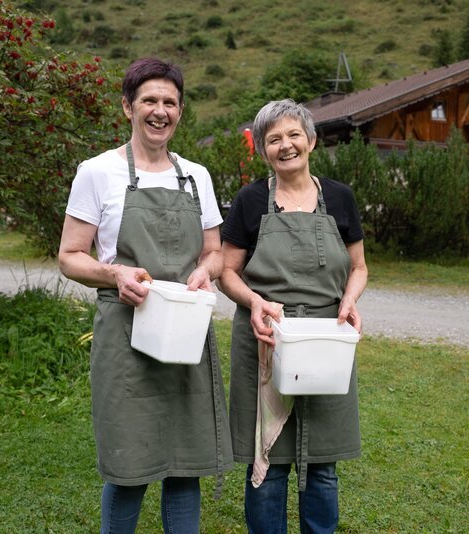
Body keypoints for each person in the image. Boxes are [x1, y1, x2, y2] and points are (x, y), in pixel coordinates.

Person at [58, 57, 232, 534]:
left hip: (185, 334)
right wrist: (114, 274)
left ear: (181, 111)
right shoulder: (97, 172)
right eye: (149, 100)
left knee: (186, 464)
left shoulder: (196, 176)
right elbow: (70, 256)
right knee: (128, 466)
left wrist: (205, 271)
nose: (160, 111)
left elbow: (215, 252)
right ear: (127, 107)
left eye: (170, 102)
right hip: (125, 335)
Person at [219, 99, 368, 533]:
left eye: (293, 135)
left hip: (325, 340)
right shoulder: (250, 201)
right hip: (267, 337)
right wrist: (254, 303)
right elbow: (226, 272)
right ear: (262, 150)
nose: (285, 146)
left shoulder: (340, 198)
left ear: (311, 141)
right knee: (268, 463)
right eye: (273, 139)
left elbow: (359, 267)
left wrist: (349, 300)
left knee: (322, 464)